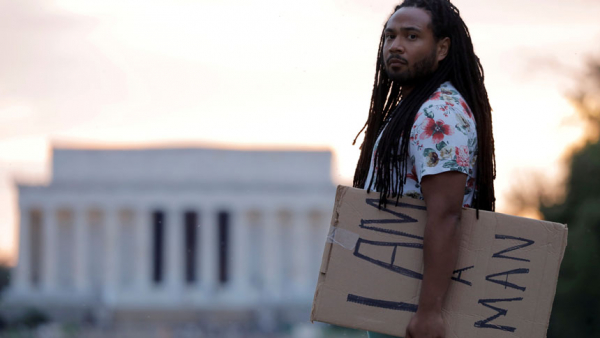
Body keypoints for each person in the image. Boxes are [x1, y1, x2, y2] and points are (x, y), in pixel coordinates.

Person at [351, 0, 496, 337]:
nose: (396, 46)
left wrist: (429, 312)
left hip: (416, 310)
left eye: (412, 36)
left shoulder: (438, 113)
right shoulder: (415, 108)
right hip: (398, 295)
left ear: (442, 48)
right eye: (390, 36)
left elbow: (446, 214)